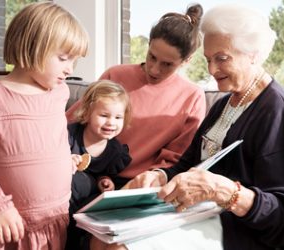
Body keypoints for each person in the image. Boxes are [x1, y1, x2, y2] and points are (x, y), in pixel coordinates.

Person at [119, 3, 284, 250]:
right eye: (208, 60)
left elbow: (282, 219)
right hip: (200, 215)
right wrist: (158, 176)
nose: (212, 70)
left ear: (253, 54)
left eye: (222, 59)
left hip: (238, 232)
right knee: (103, 238)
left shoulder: (280, 114)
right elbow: (187, 165)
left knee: (121, 246)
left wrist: (222, 190)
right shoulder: (224, 104)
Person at [0, 2, 88, 249]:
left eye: (74, 61)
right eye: (64, 58)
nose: (70, 69)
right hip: (7, 229)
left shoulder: (59, 93)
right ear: (32, 46)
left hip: (54, 223)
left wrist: (63, 161)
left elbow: (48, 139)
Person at [66, 3, 206, 191]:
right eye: (152, 56)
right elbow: (73, 120)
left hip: (142, 185)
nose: (155, 69)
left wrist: (145, 184)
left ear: (186, 61)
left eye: (167, 64)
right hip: (90, 173)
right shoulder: (115, 75)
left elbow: (176, 159)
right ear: (148, 46)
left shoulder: (192, 97)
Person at [66, 80, 132, 249]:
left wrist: (105, 181)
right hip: (65, 194)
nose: (111, 122)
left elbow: (109, 176)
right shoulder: (70, 135)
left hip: (89, 204)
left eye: (118, 117)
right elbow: (49, 158)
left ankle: (85, 237)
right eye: (104, 115)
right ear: (87, 113)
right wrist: (67, 159)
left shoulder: (116, 151)